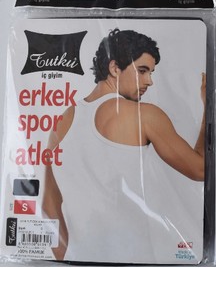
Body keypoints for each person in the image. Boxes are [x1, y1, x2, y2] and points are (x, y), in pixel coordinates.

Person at [42, 28, 206, 263]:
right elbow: (200, 170)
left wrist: (69, 257)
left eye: (151, 72)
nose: (150, 81)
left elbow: (49, 206)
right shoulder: (144, 115)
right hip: (137, 260)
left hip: (79, 261)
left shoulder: (62, 120)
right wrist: (208, 107)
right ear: (114, 68)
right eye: (142, 71)